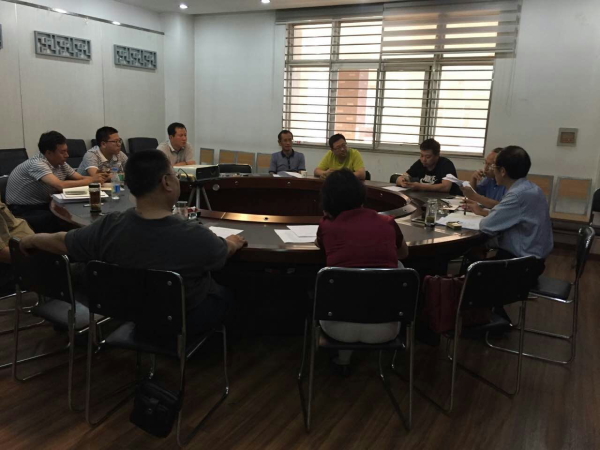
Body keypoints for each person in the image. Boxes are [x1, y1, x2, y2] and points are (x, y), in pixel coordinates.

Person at [19, 150, 246, 333]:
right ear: (167, 182)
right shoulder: (195, 234)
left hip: (125, 310)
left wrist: (32, 239)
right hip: (184, 316)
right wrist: (234, 242)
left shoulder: (108, 226)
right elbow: (222, 251)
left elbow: (63, 242)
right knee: (230, 293)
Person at [316, 169, 409, 372]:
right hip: (386, 328)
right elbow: (403, 253)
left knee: (339, 275)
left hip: (336, 328)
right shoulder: (387, 222)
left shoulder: (327, 226)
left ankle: (343, 359)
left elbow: (322, 248)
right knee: (398, 269)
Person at [466, 145, 553, 278]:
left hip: (522, 264)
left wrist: (484, 212)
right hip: (533, 258)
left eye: (493, 166)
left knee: (471, 270)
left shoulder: (517, 195)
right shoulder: (531, 188)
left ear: (502, 171)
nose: (491, 170)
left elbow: (486, 225)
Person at [6, 131, 108, 233]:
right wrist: (92, 179)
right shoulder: (37, 164)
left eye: (67, 151)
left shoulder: (60, 163)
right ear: (49, 153)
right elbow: (60, 185)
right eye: (62, 152)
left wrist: (96, 178)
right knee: (60, 220)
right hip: (23, 209)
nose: (67, 155)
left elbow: (80, 178)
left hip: (44, 204)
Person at [397, 138, 461, 195]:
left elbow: (446, 187)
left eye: (428, 157)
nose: (423, 159)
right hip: (426, 198)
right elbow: (403, 176)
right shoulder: (420, 163)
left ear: (437, 155)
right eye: (421, 155)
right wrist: (402, 181)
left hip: (448, 200)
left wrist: (421, 187)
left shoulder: (446, 164)